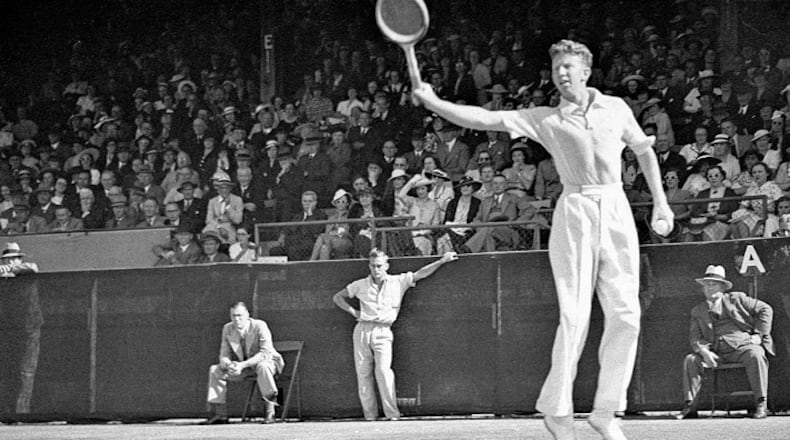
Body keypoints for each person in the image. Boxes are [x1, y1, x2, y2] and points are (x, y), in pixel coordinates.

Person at [414, 39, 673, 440]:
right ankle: (558, 411)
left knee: (626, 314)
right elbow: (485, 119)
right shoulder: (545, 118)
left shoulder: (617, 108)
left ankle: (606, 412)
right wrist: (436, 103)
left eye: (569, 67)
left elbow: (644, 152)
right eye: (556, 70)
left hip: (616, 207)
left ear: (586, 71)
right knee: (574, 316)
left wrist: (661, 204)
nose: (562, 74)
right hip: (574, 211)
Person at [332, 249, 459, 421]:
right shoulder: (360, 284)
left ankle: (393, 415)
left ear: (386, 266)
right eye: (372, 266)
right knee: (363, 374)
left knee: (384, 372)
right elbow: (338, 297)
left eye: (379, 266)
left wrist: (442, 261)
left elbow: (420, 274)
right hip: (362, 330)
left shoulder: (398, 281)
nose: (376, 270)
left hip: (384, 331)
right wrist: (355, 313)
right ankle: (370, 417)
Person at [678, 265, 773, 420]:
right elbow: (694, 338)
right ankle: (690, 407)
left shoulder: (737, 299)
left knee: (756, 354)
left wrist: (759, 335)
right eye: (706, 285)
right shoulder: (698, 310)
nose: (709, 288)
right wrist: (704, 352)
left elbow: (766, 309)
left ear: (723, 287)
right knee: (690, 360)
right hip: (715, 353)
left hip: (741, 348)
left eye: (713, 284)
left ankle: (761, 404)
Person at [204, 302, 284, 425]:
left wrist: (242, 365)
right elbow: (224, 354)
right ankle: (220, 415)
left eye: (239, 315)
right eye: (233, 316)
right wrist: (229, 364)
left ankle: (270, 412)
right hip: (246, 367)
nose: (236, 319)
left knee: (263, 366)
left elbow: (265, 353)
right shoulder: (228, 328)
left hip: (269, 363)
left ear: (247, 315)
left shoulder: (260, 325)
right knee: (215, 370)